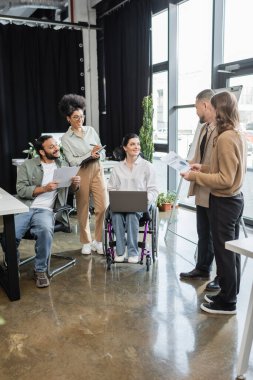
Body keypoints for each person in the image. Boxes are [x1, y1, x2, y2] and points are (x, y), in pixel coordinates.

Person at [181, 91, 246, 315]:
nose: (210, 111)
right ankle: (230, 293)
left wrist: (195, 176)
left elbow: (225, 179)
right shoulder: (235, 133)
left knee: (225, 254)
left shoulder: (226, 137)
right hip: (233, 201)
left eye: (213, 107)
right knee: (231, 251)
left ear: (219, 109)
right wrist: (203, 168)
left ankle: (227, 302)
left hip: (225, 202)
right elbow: (226, 170)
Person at [14, 135, 80, 288]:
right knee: (10, 235)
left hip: (47, 210)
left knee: (44, 230)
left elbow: (71, 191)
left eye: (56, 145)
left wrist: (75, 184)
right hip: (26, 207)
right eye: (51, 147)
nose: (56, 148)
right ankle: (12, 261)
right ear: (42, 152)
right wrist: (44, 189)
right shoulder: (28, 165)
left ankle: (40, 270)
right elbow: (21, 190)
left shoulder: (63, 165)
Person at [180, 89, 220, 292]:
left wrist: (197, 171)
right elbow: (201, 158)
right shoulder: (204, 129)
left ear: (205, 105)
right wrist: (187, 166)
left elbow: (218, 168)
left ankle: (221, 277)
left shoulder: (223, 130)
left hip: (216, 190)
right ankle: (202, 269)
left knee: (218, 237)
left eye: (196, 107)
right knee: (203, 233)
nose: (196, 112)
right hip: (202, 187)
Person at [59, 94, 107, 255]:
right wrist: (89, 155)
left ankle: (98, 241)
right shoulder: (65, 138)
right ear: (68, 119)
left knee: (103, 207)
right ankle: (86, 241)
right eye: (76, 117)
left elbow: (102, 151)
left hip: (98, 169)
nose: (80, 120)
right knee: (83, 208)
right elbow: (72, 161)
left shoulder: (91, 130)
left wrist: (99, 154)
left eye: (82, 116)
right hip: (81, 172)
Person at [107, 133, 159, 263]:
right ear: (125, 147)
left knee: (131, 214)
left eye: (138, 144)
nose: (136, 147)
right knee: (116, 215)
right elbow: (111, 188)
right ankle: (119, 252)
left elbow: (154, 190)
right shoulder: (117, 168)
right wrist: (117, 197)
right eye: (132, 144)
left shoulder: (147, 166)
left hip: (140, 204)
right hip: (120, 203)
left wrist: (144, 199)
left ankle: (133, 252)